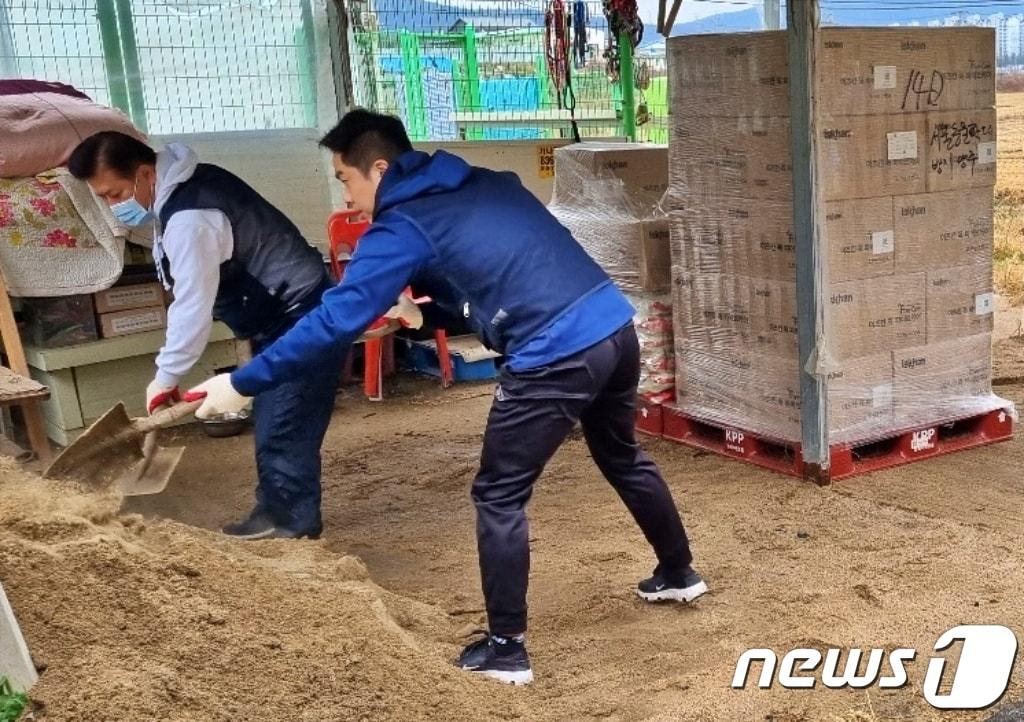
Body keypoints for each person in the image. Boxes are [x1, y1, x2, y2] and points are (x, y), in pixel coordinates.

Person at [186, 110, 707, 684]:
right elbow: (496, 274)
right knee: (622, 455)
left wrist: (241, 381)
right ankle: (680, 573)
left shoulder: (402, 223)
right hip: (611, 327)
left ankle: (507, 650)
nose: (349, 195)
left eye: (345, 179)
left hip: (553, 353)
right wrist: (421, 311)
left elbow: (336, 318)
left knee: (499, 495)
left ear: (379, 169)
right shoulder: (485, 181)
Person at [68, 131, 347, 540]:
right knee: (275, 420)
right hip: (280, 316)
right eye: (105, 198)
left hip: (301, 314)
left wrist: (166, 376)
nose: (114, 207)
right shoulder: (187, 187)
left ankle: (292, 527)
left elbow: (191, 305)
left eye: (116, 194)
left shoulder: (190, 217)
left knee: (284, 424)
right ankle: (276, 512)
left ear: (145, 173)